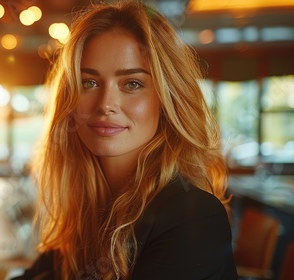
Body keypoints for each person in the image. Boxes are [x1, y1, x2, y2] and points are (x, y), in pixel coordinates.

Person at [15, 1, 238, 279]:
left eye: (132, 84)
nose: (106, 104)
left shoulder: (194, 218)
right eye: (89, 83)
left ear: (167, 100)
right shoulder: (91, 211)